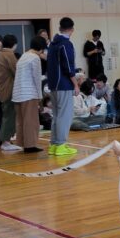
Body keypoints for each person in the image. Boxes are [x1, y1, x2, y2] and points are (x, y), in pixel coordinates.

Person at [46, 17, 80, 156]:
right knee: (64, 116)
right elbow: (68, 66)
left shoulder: (52, 44)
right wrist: (75, 84)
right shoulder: (65, 44)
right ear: (71, 29)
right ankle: (61, 145)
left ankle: (54, 145)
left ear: (60, 28)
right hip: (64, 85)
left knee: (56, 115)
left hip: (53, 84)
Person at [12, 35, 47, 153]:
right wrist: (40, 97)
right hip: (29, 93)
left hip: (18, 94)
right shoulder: (35, 58)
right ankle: (30, 145)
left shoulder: (24, 56)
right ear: (41, 48)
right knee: (31, 120)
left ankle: (23, 143)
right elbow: (37, 79)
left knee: (21, 121)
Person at [0, 34, 21, 151]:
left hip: (2, 89)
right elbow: (17, 71)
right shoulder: (9, 54)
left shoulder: (1, 54)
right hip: (8, 89)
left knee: (7, 115)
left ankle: (6, 141)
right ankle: (5, 142)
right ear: (14, 44)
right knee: (9, 116)